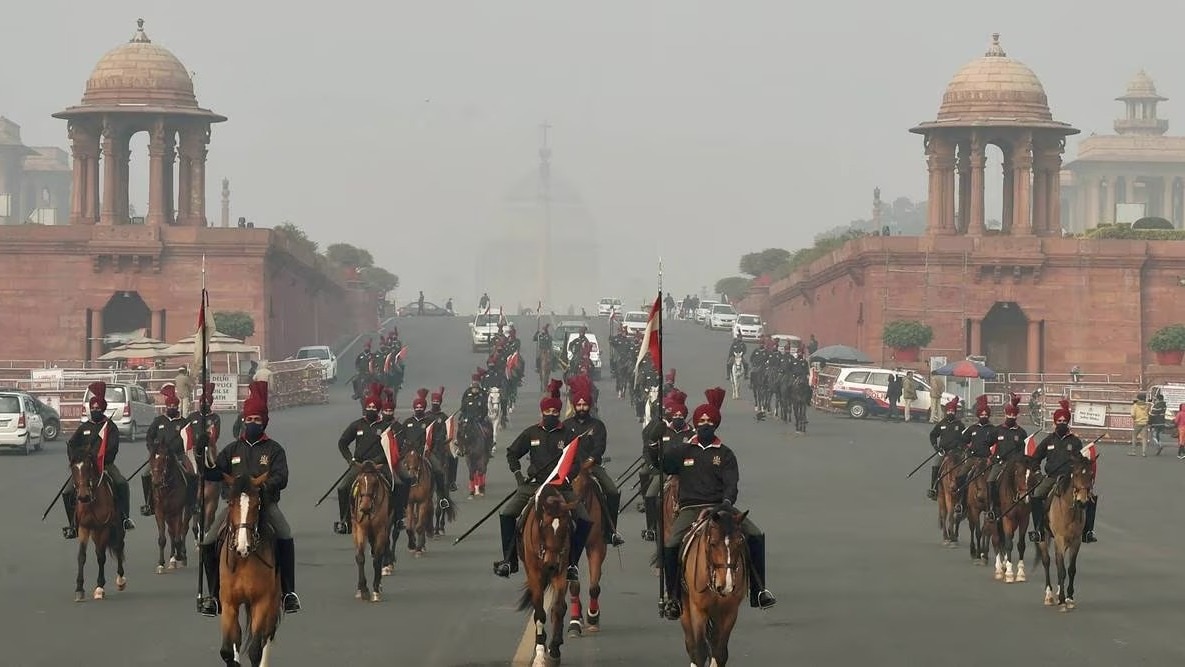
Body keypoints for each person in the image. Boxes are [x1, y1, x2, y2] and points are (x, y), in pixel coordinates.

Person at [656, 387, 776, 620]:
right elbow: (664, 466)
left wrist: (727, 502)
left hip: (721, 508)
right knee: (671, 544)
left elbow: (732, 483)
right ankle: (672, 596)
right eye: (700, 421)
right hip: (691, 508)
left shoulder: (726, 453)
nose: (704, 425)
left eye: (709, 422)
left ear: (715, 425)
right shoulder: (683, 450)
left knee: (755, 534)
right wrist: (656, 439)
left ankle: (758, 591)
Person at [197, 381, 302, 616]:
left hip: (264, 504)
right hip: (235, 506)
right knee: (207, 541)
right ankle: (213, 596)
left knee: (285, 534)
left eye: (256, 420)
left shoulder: (274, 450)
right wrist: (200, 452)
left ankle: (288, 593)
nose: (252, 423)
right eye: (249, 419)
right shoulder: (232, 449)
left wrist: (262, 487)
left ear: (263, 421)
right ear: (243, 421)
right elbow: (213, 473)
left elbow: (281, 477)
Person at [492, 381, 592, 580]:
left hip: (560, 487)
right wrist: (519, 475)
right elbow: (512, 453)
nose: (551, 414)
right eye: (548, 411)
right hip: (534, 485)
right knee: (507, 514)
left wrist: (566, 477)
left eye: (555, 411)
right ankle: (509, 561)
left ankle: (572, 564)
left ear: (559, 413)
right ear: (542, 412)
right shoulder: (531, 433)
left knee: (585, 520)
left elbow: (576, 462)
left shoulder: (569, 435)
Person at [63, 381, 136, 538]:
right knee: (67, 491)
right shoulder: (84, 427)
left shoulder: (110, 426)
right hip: (85, 468)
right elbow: (72, 444)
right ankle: (72, 525)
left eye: (97, 408)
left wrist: (100, 459)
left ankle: (125, 518)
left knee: (122, 483)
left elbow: (113, 447)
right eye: (93, 408)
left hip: (105, 465)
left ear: (102, 409)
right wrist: (76, 459)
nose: (95, 410)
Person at [563, 374, 625, 547]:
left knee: (612, 491)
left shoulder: (597, 425)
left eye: (585, 405)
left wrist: (590, 460)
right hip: (571, 468)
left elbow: (600, 447)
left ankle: (611, 531)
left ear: (589, 406)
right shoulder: (566, 425)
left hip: (592, 467)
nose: (582, 407)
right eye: (579, 405)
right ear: (574, 406)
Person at [1027, 399, 1099, 544]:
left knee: (1090, 498)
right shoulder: (1048, 440)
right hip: (1052, 477)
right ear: (1055, 422)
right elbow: (1035, 458)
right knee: (1036, 495)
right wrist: (1037, 472)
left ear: (1068, 422)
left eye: (1064, 420)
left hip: (1070, 478)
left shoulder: (1075, 442)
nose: (1061, 423)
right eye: (1059, 420)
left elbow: (1080, 461)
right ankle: (1038, 530)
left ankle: (1087, 532)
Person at [334, 383, 389, 534]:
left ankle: (397, 517)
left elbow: (389, 449)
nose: (371, 410)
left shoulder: (384, 427)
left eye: (374, 408)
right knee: (343, 488)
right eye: (369, 407)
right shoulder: (357, 425)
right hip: (358, 465)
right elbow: (342, 443)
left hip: (378, 466)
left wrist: (378, 461)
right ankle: (345, 520)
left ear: (378, 410)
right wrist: (350, 459)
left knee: (395, 483)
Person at [640, 390, 691, 541]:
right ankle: (651, 528)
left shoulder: (691, 434)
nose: (677, 418)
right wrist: (653, 465)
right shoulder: (663, 430)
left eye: (680, 417)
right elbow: (649, 446)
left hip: (684, 473)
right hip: (664, 471)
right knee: (650, 495)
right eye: (675, 416)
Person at [140, 384, 198, 516]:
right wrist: (152, 450)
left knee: (192, 474)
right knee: (145, 474)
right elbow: (150, 436)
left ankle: (192, 503)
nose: (171, 408)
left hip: (178, 455)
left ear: (177, 407)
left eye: (174, 406)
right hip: (159, 456)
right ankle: (149, 504)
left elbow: (186, 439)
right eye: (169, 406)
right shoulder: (158, 420)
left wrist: (172, 450)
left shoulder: (183, 422)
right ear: (166, 407)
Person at [986, 393, 1027, 519]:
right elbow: (987, 444)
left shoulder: (1021, 432)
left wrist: (1018, 461)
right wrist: (991, 457)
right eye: (1009, 415)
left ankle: (1024, 506)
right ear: (1005, 414)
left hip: (1015, 465)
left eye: (1014, 415)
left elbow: (1023, 450)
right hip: (1000, 463)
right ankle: (992, 508)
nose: (1011, 417)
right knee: (990, 480)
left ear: (1017, 416)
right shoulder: (997, 430)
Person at [927, 397, 964, 501]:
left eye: (952, 411)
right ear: (946, 411)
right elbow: (933, 435)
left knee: (963, 468)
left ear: (955, 412)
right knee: (935, 465)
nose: (950, 412)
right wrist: (936, 447)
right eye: (949, 411)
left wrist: (961, 446)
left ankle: (963, 490)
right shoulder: (941, 424)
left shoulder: (960, 424)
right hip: (943, 451)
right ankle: (934, 489)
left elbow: (965, 438)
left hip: (956, 452)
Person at [1130, 392, 1149, 457]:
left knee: (1134, 436)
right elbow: (1148, 413)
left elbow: (1133, 415)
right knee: (1144, 438)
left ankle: (1133, 451)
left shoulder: (1135, 406)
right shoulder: (1147, 405)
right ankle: (1144, 452)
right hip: (1145, 422)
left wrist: (1135, 419)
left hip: (1137, 422)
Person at [1149, 390, 1167, 455]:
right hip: (1162, 422)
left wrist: (1149, 423)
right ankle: (1159, 445)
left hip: (1156, 423)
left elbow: (1152, 415)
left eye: (1156, 399)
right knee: (1157, 435)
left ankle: (1159, 445)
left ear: (1158, 399)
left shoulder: (1156, 406)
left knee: (1154, 435)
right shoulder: (1164, 405)